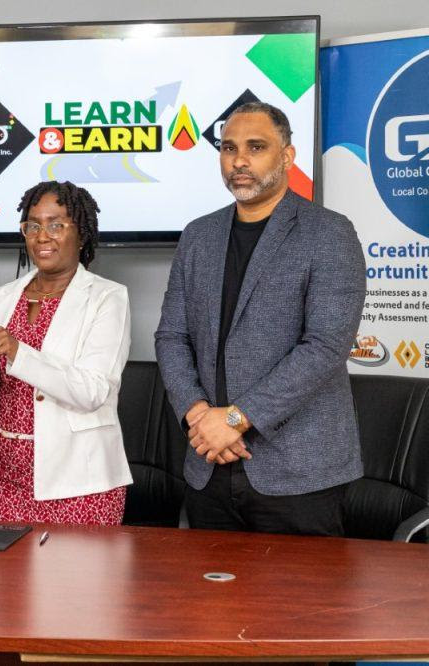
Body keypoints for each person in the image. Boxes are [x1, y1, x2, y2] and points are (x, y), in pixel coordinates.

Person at [154, 102, 366, 536]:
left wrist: (232, 421)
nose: (240, 161)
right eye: (229, 148)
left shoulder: (328, 232)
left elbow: (325, 345)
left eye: (256, 147)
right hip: (209, 465)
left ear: (287, 156)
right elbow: (172, 336)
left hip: (298, 474)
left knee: (302, 605)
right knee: (209, 603)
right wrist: (199, 417)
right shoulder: (199, 235)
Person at [0, 181, 132, 524]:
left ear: (81, 234)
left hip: (80, 485)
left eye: (56, 224)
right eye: (33, 225)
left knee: (75, 580)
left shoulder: (108, 298)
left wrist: (19, 353)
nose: (42, 235)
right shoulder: (0, 298)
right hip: (5, 480)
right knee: (3, 579)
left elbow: (93, 391)